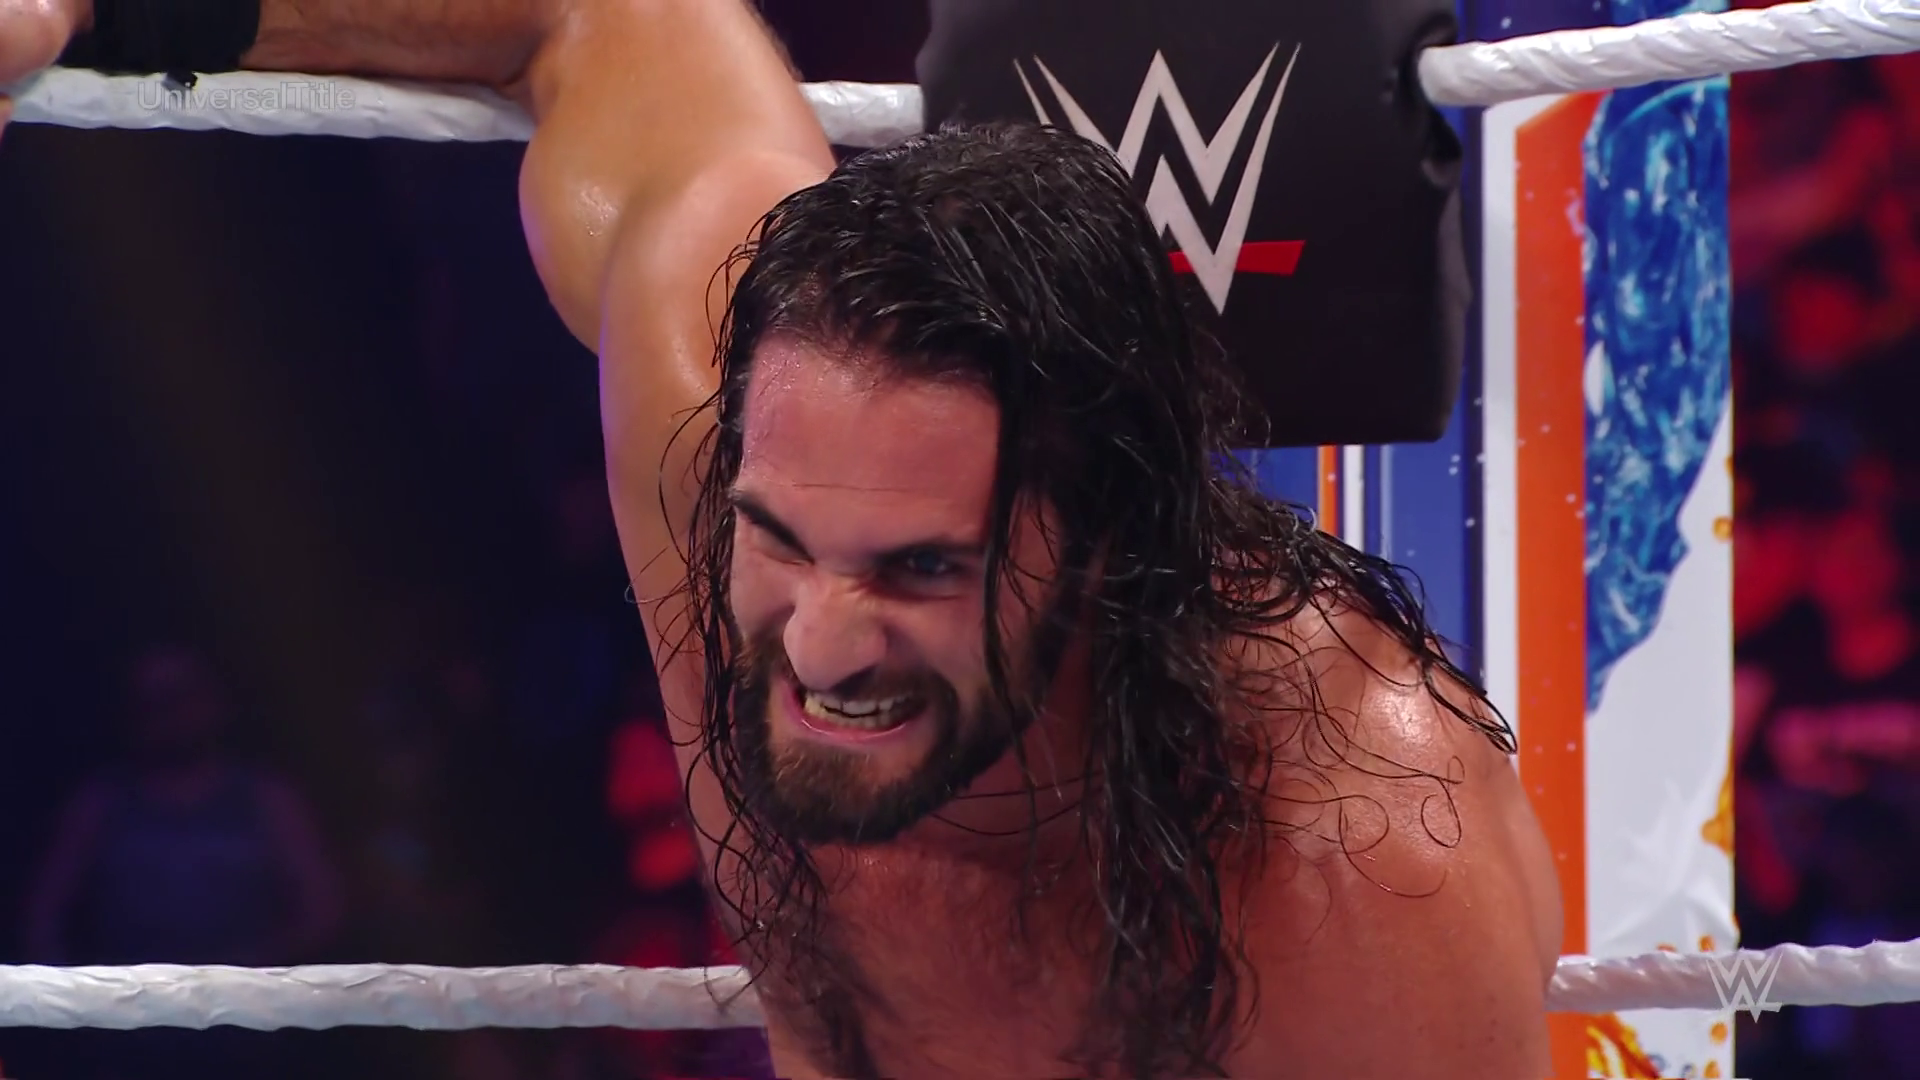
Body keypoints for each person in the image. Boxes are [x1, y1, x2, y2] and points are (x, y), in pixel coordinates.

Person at [1, 2, 1561, 1076]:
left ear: (1103, 547)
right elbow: (600, 20)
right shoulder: (716, 431)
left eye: (920, 569)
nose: (818, 642)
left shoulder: (1353, 844)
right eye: (781, 540)